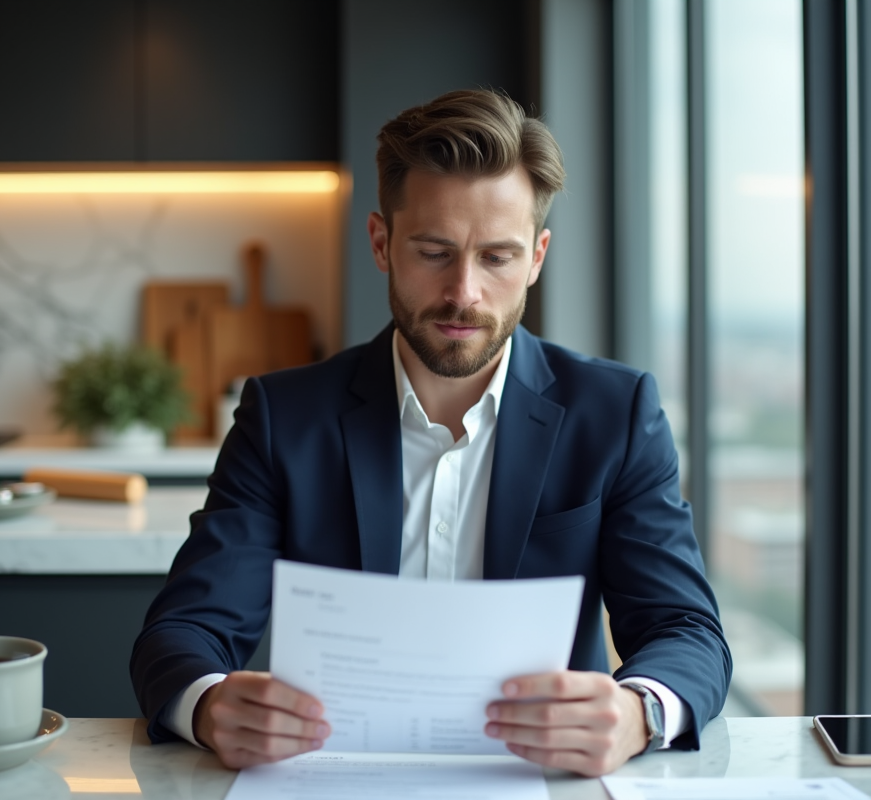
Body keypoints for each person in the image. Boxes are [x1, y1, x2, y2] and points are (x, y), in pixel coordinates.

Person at [130, 89, 731, 777]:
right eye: (435, 251)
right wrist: (207, 705)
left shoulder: (616, 413)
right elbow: (182, 631)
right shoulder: (282, 417)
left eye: (497, 258)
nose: (464, 294)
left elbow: (688, 632)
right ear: (382, 243)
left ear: (536, 257)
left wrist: (638, 712)